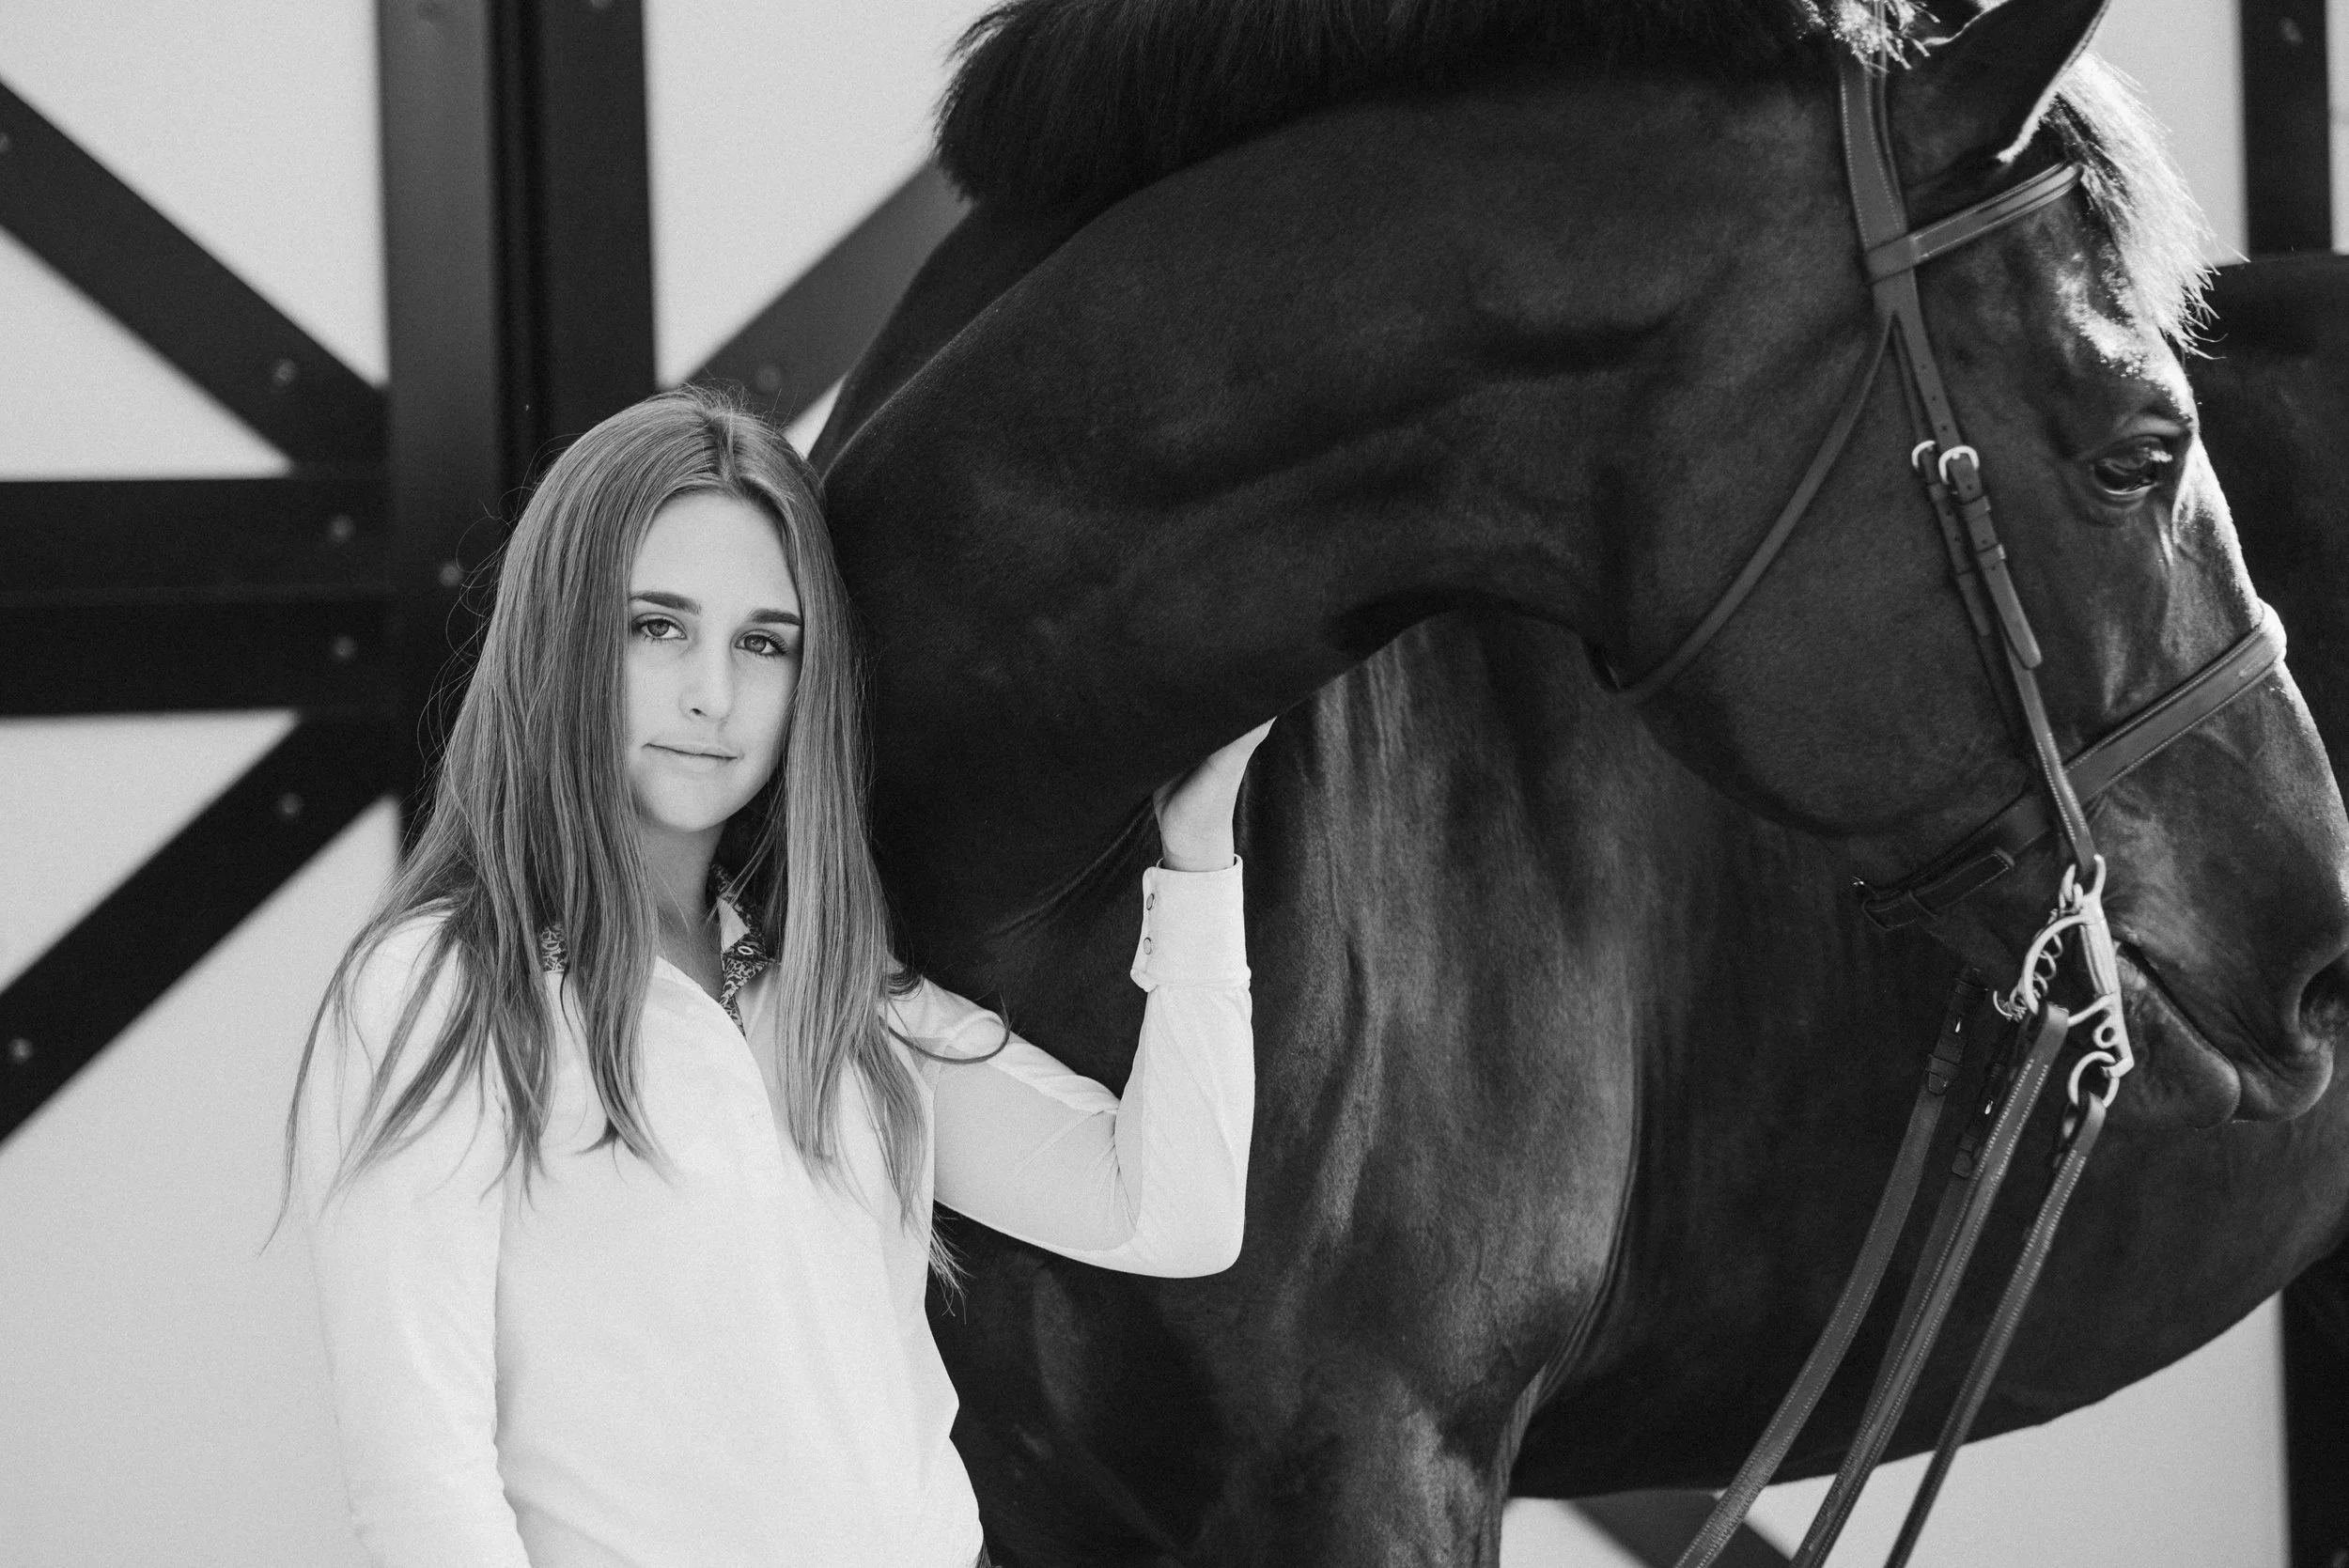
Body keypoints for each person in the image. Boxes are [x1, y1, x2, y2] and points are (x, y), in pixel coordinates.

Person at [285, 385, 1267, 1568]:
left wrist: (1198, 855)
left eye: (763, 642)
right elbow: (423, 1495)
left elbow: (1168, 1213)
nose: (713, 692)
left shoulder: (836, 993)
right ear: (560, 635)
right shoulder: (442, 992)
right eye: (657, 626)